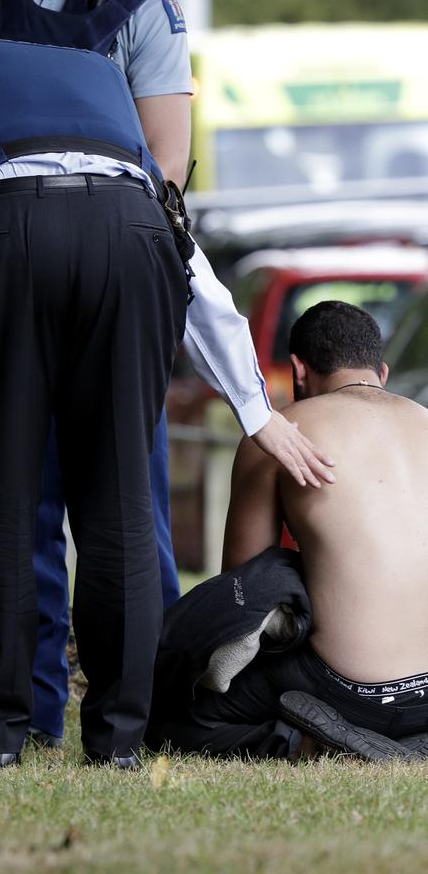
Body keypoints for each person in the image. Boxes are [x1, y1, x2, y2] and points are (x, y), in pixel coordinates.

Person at [0, 0, 336, 748]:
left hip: (82, 264)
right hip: (21, 262)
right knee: (22, 506)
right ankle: (44, 716)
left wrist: (251, 402)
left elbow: (164, 178)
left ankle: (131, 721)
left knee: (116, 504)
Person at [147, 301, 428, 761]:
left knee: (171, 720)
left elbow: (241, 592)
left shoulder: (280, 434)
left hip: (348, 692)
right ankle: (407, 739)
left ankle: (308, 745)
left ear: (298, 370)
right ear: (383, 370)